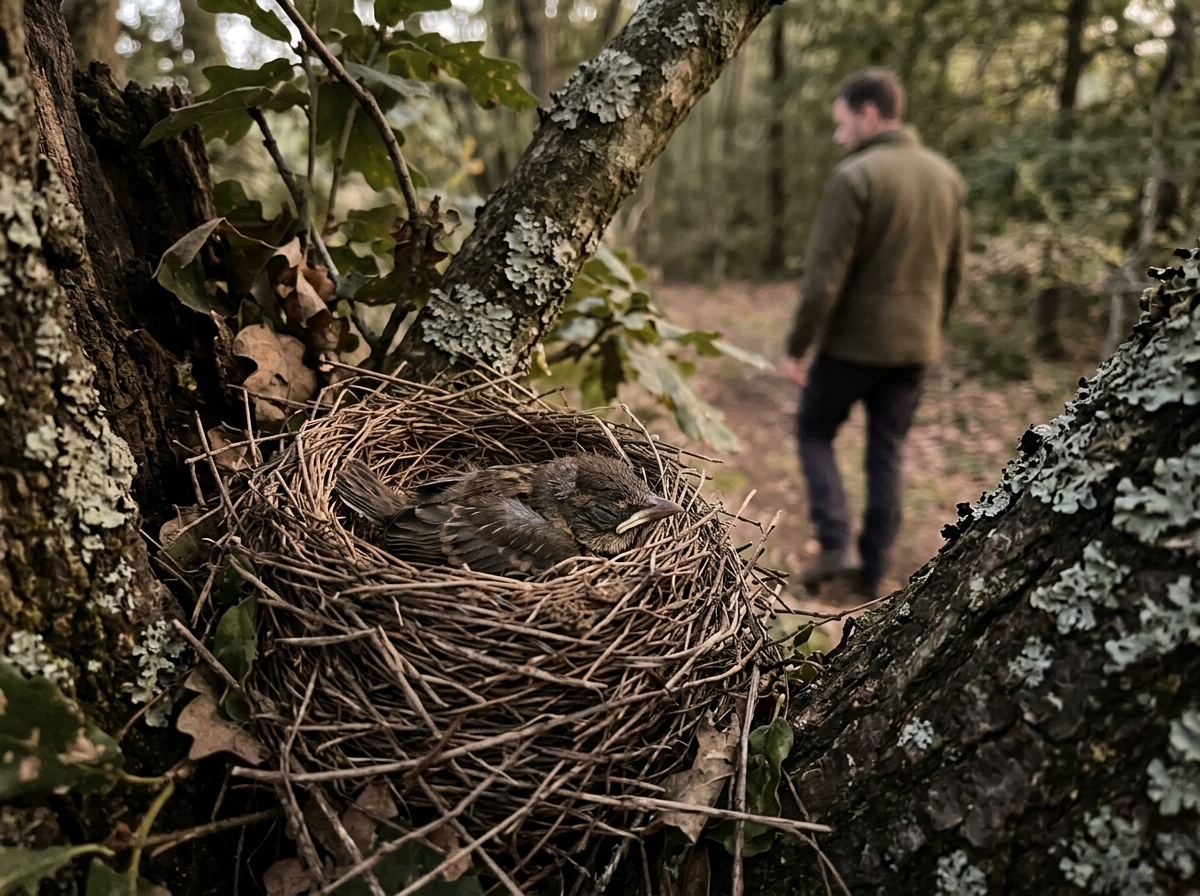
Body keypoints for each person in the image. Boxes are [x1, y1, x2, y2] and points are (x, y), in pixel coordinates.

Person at [781, 68, 968, 601]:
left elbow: (823, 279)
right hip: (915, 349)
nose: (839, 138)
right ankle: (875, 569)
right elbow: (955, 275)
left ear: (868, 114)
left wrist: (798, 346)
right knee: (886, 453)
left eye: (841, 124)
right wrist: (932, 331)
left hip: (852, 347)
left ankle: (837, 542)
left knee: (814, 431)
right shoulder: (946, 178)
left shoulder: (856, 177)